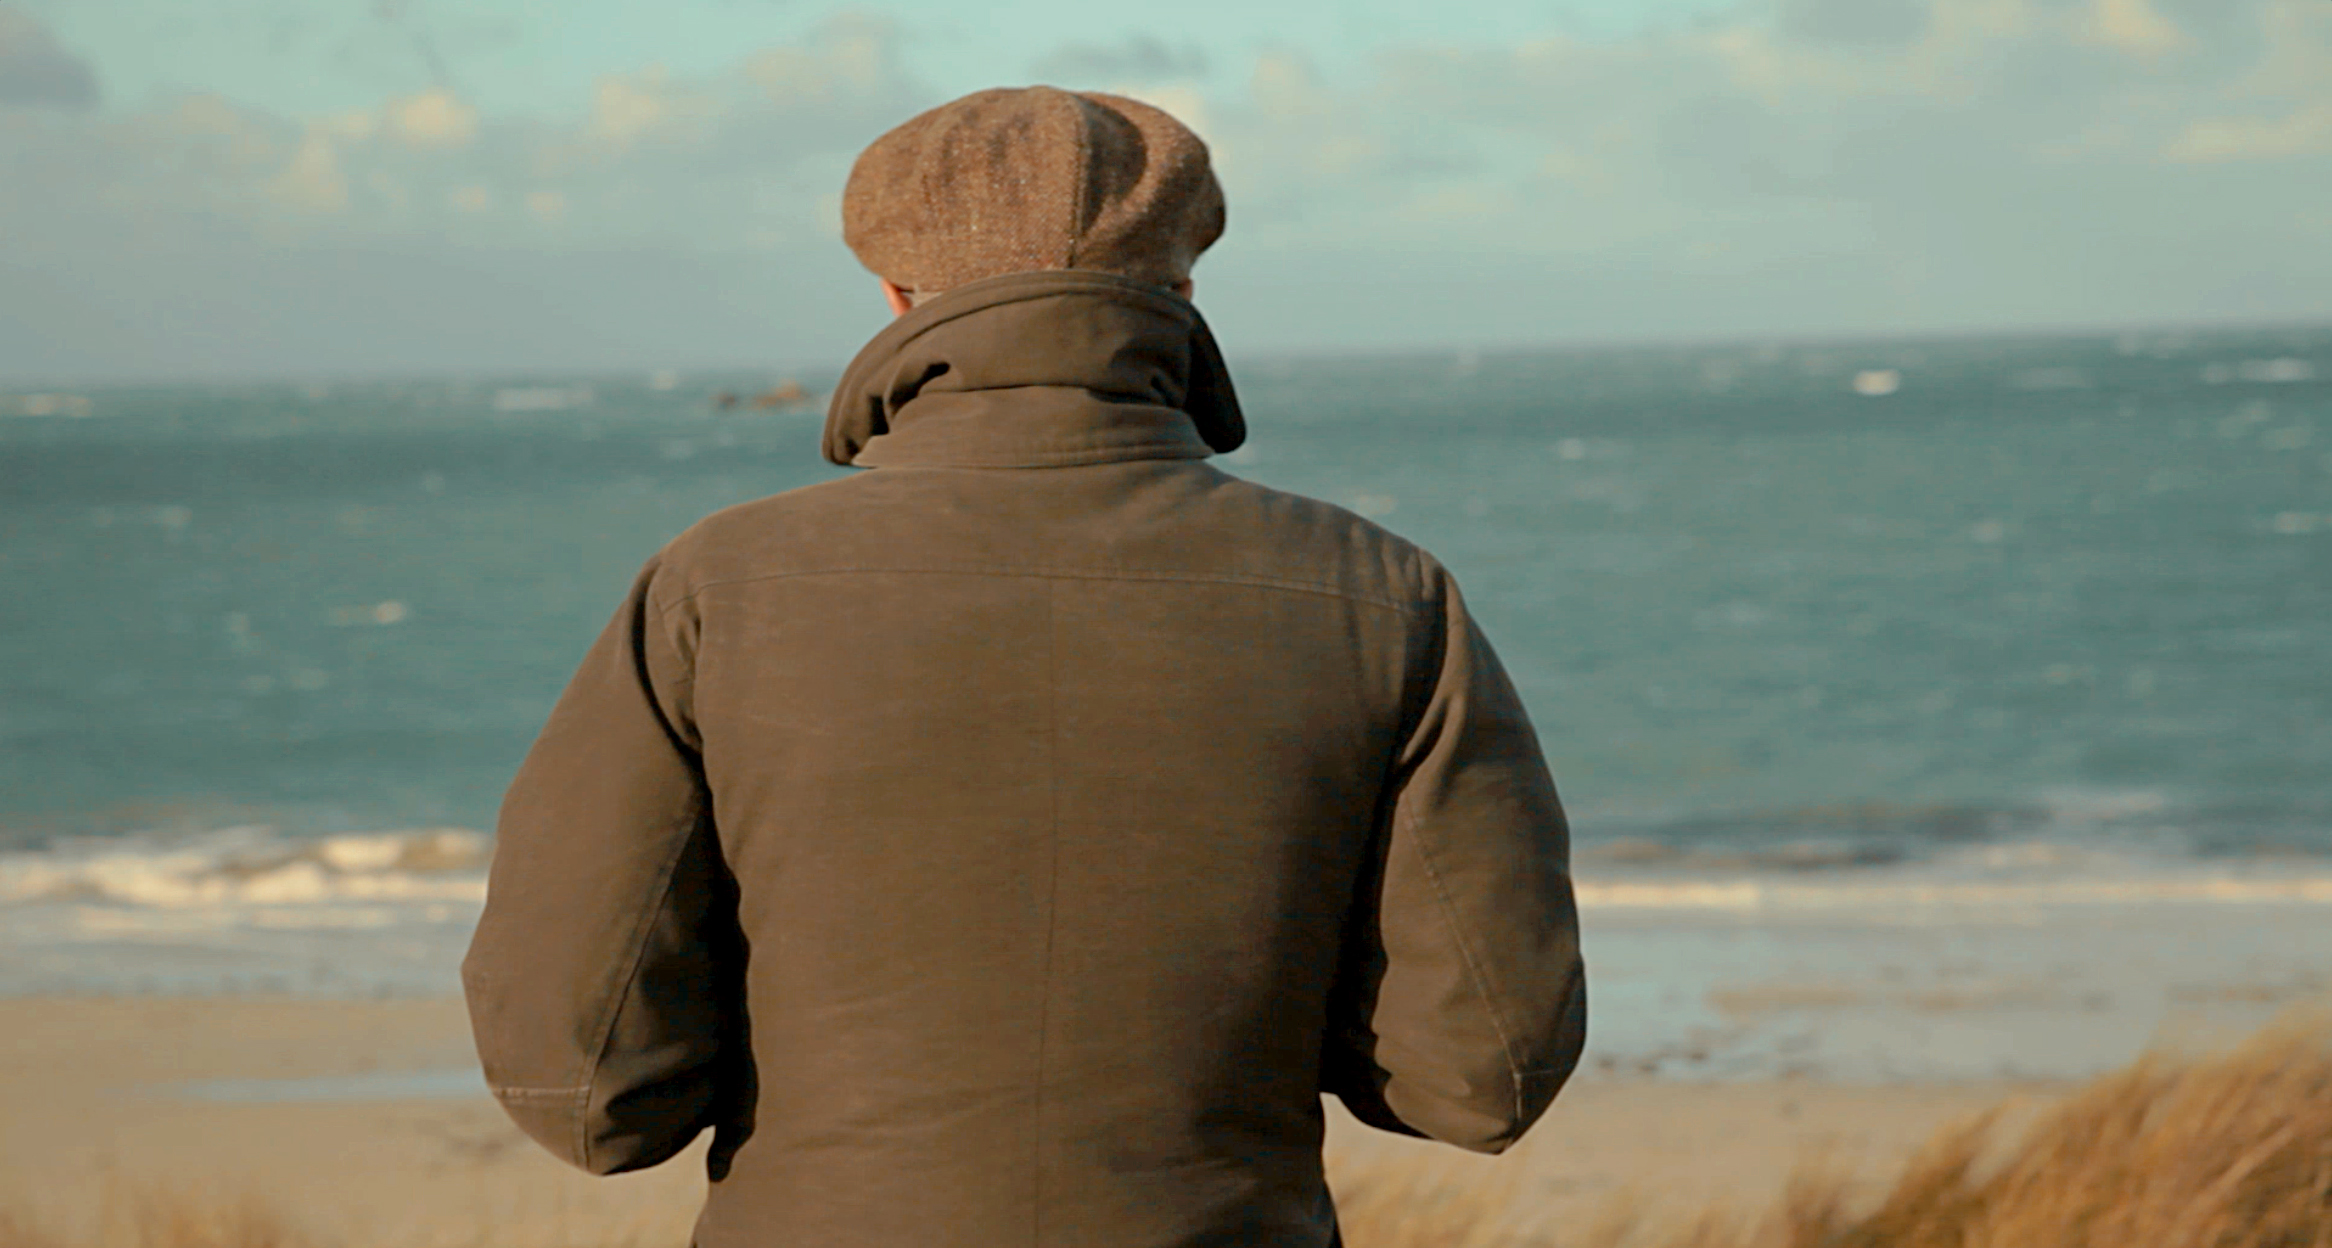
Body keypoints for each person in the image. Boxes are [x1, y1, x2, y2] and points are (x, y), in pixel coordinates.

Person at [462, 85, 1586, 1248]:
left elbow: (585, 1084)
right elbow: (1481, 1074)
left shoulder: (716, 588)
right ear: (1180, 290)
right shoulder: (1380, 593)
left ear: (894, 296)